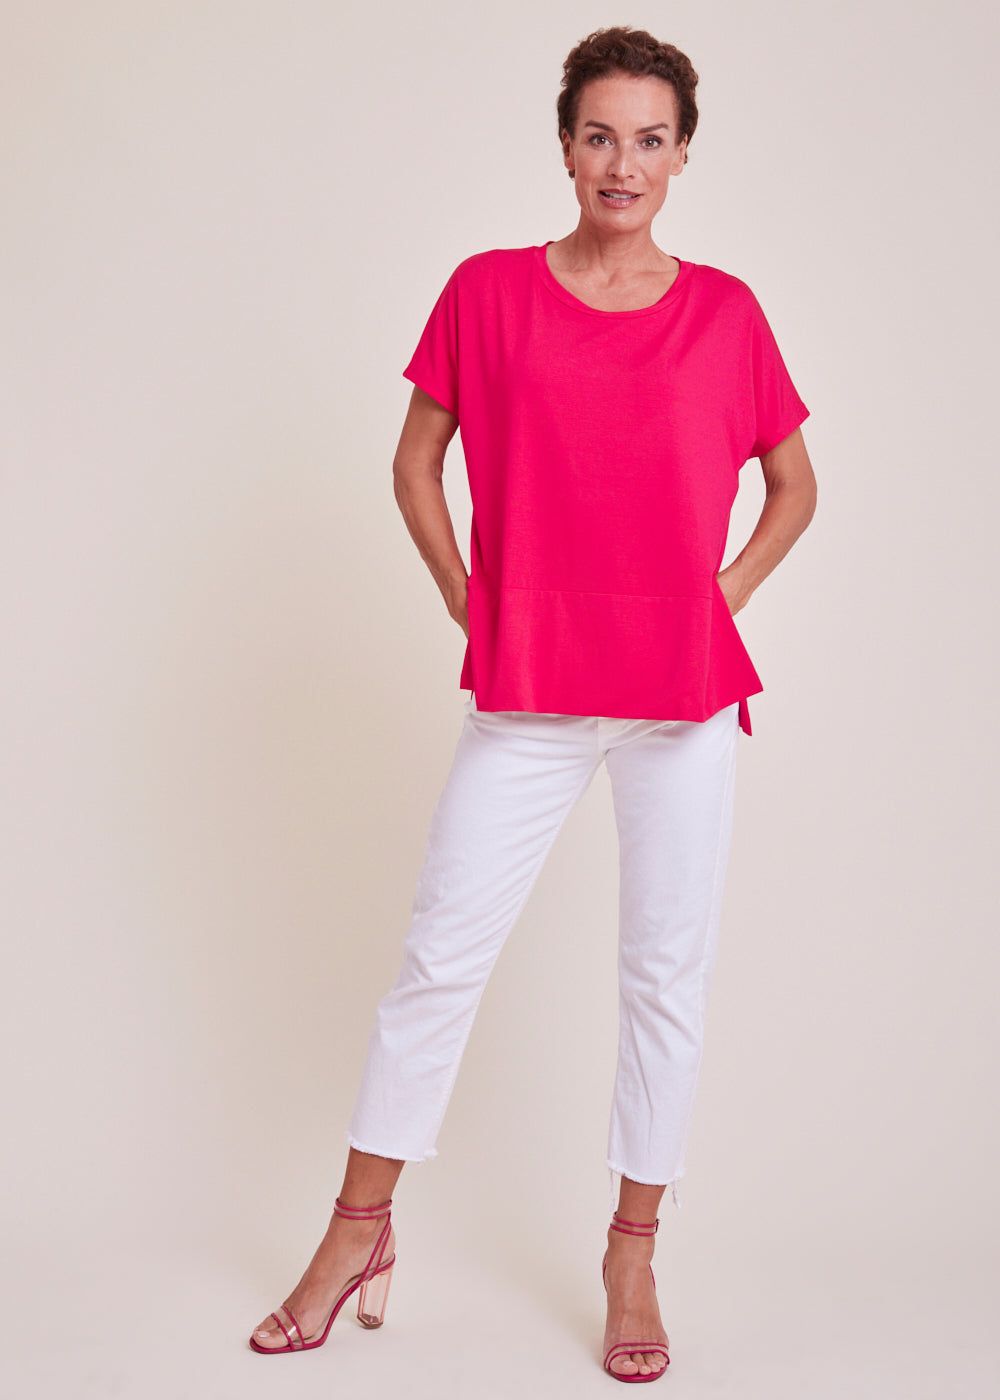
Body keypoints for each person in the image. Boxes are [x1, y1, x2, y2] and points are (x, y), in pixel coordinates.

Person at [249, 24, 816, 1382]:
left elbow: (795, 487)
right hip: (533, 686)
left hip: (679, 696)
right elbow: (415, 463)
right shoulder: (487, 293)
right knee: (440, 960)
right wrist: (469, 597)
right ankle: (358, 1229)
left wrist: (720, 596)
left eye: (651, 139)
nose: (623, 162)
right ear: (565, 145)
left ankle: (633, 1252)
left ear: (683, 155)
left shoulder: (727, 313)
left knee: (663, 975)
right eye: (600, 134)